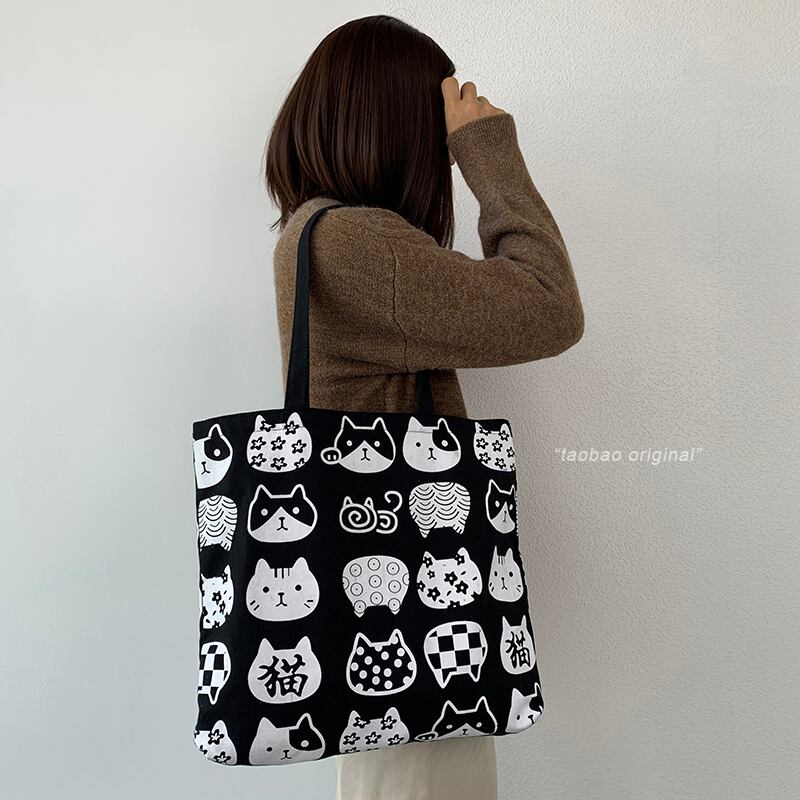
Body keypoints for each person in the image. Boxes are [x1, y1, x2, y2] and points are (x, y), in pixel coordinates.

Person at [265, 14, 584, 800]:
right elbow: (550, 307)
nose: (439, 152)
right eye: (434, 128)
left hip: (396, 618)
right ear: (399, 126)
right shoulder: (355, 244)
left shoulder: (317, 232)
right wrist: (488, 149)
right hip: (413, 624)